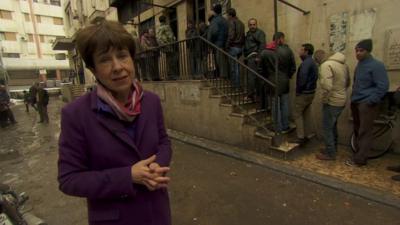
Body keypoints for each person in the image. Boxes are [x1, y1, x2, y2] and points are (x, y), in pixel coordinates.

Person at [57, 21, 172, 225]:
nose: (118, 67)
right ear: (93, 69)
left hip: (157, 214)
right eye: (105, 60)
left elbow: (163, 142)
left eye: (122, 56)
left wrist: (156, 166)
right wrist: (127, 176)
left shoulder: (151, 101)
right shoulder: (75, 114)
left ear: (132, 59)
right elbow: (69, 180)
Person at [346, 39, 389, 166]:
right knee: (358, 129)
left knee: (365, 131)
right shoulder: (360, 64)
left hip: (367, 103)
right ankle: (358, 153)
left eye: (361, 51)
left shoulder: (376, 65)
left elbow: (383, 85)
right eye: (356, 51)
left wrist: (371, 100)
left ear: (368, 51)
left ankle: (360, 159)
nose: (358, 53)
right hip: (356, 101)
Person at [315, 52, 350, 160]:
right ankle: (332, 148)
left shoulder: (326, 65)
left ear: (318, 59)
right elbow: (348, 82)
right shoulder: (343, 65)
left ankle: (330, 153)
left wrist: (325, 99)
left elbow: (327, 86)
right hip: (342, 99)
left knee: (327, 128)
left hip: (332, 101)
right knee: (333, 126)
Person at [259, 32, 296, 133]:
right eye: (283, 39)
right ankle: (285, 125)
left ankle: (277, 127)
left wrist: (266, 78)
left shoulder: (265, 52)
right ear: (280, 39)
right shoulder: (288, 51)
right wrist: (287, 76)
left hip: (271, 81)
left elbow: (260, 69)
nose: (284, 41)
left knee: (275, 105)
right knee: (284, 104)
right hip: (284, 81)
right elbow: (293, 67)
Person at [293, 43, 318, 145]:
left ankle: (300, 137)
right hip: (311, 92)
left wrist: (298, 91)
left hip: (304, 93)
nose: (299, 51)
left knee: (296, 113)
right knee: (306, 113)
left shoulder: (306, 64)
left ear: (306, 51)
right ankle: (307, 134)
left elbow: (302, 79)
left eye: (301, 50)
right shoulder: (312, 62)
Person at [243, 18, 266, 102]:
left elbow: (262, 45)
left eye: (254, 24)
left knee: (252, 77)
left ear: (256, 25)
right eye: (251, 24)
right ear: (248, 25)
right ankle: (254, 95)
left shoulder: (260, 33)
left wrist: (259, 57)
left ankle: (251, 95)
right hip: (249, 57)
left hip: (254, 57)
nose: (252, 26)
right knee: (252, 78)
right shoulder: (248, 34)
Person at [207, 3, 229, 78]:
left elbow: (213, 32)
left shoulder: (215, 20)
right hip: (224, 43)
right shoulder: (225, 20)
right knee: (223, 61)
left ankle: (222, 76)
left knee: (219, 61)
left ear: (214, 11)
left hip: (217, 43)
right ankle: (224, 76)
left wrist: (209, 42)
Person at [226, 8, 245, 87]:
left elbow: (231, 35)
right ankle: (238, 84)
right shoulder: (241, 23)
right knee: (237, 67)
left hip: (234, 46)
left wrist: (227, 44)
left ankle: (235, 85)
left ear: (230, 15)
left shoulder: (232, 22)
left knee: (234, 68)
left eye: (227, 15)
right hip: (240, 47)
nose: (227, 17)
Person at [157, 15, 178, 80]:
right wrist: (165, 44)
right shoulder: (164, 27)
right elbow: (159, 38)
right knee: (171, 60)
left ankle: (171, 75)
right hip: (169, 45)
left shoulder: (161, 27)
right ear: (165, 19)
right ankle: (171, 75)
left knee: (170, 60)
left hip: (169, 45)